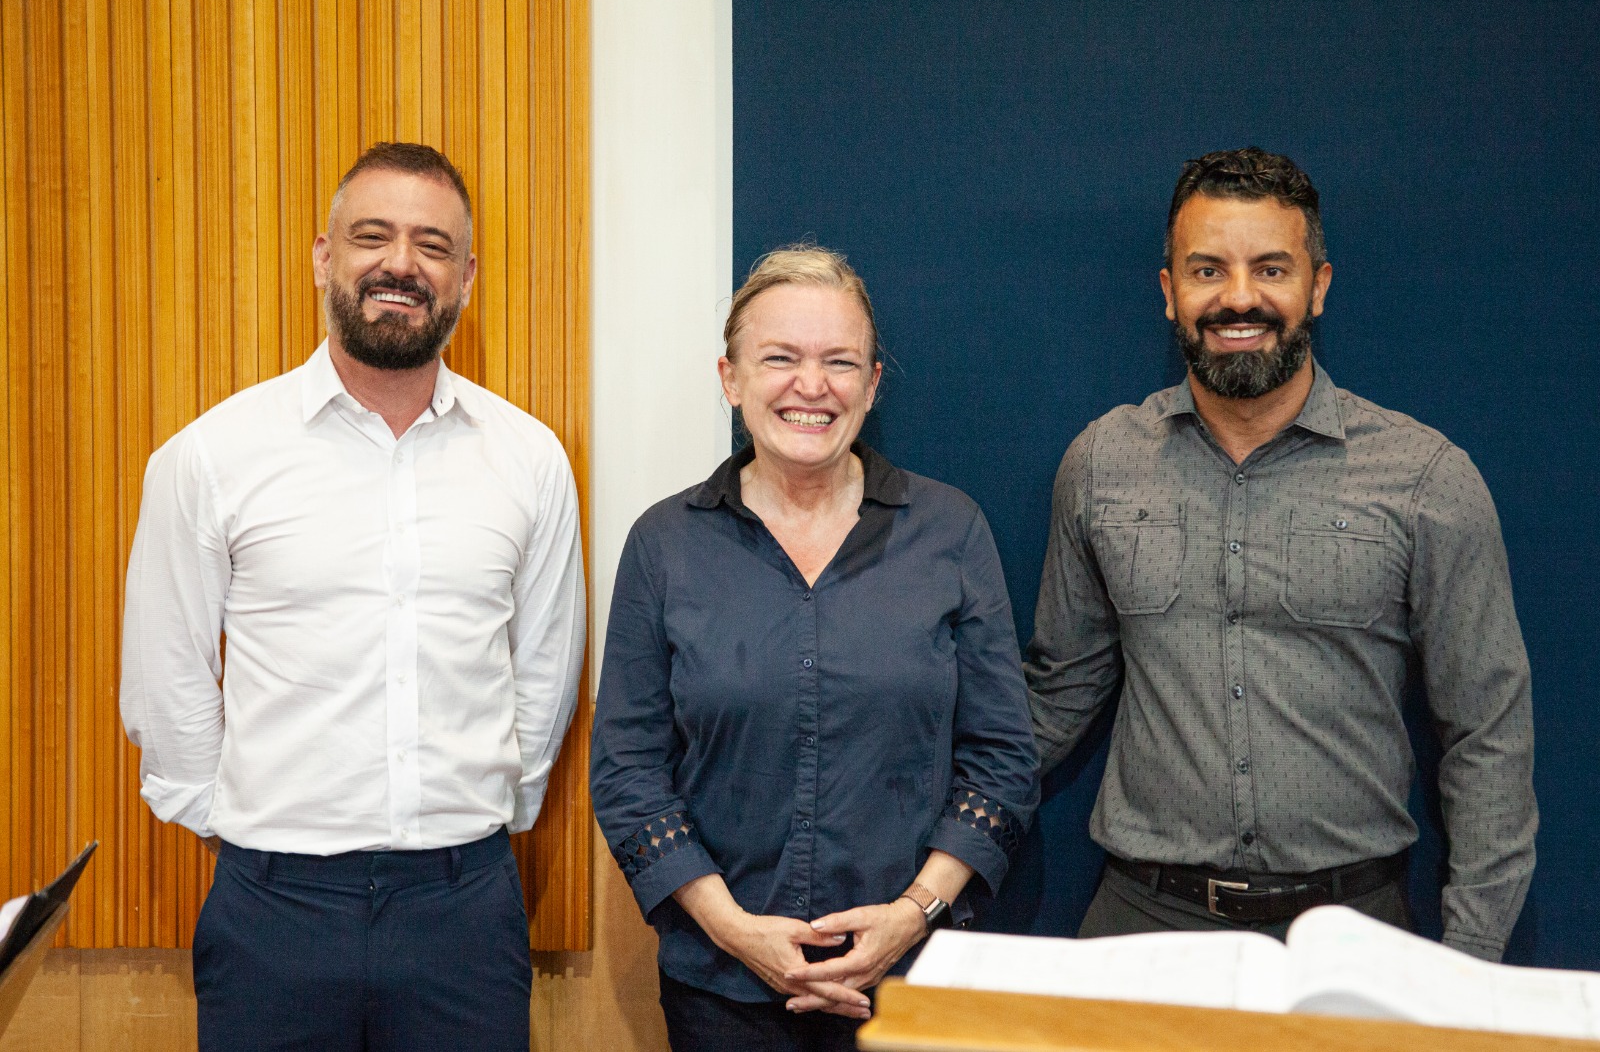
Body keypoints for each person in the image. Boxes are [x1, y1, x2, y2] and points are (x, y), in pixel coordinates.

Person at [119, 142, 586, 1051]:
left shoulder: (529, 461)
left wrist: (482, 823)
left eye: (432, 245)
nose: (400, 264)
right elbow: (168, 678)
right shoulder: (211, 457)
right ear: (324, 257)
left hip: (467, 911)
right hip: (272, 915)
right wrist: (254, 837)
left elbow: (545, 677)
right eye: (372, 236)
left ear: (467, 277)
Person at [1026, 147, 1536, 961]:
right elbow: (1057, 694)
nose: (1238, 298)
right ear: (1169, 293)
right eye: (1206, 270)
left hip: (1354, 933)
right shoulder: (1099, 463)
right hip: (1141, 928)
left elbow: (1488, 733)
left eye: (1270, 269)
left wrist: (1470, 962)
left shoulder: (1426, 477)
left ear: (1317, 287)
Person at [591, 245, 1039, 1050]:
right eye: (780, 358)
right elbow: (627, 773)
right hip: (718, 993)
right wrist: (735, 932)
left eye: (840, 362)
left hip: (913, 988)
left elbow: (1003, 761)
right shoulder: (664, 545)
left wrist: (911, 917)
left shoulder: (951, 532)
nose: (811, 385)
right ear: (730, 379)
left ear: (870, 385)